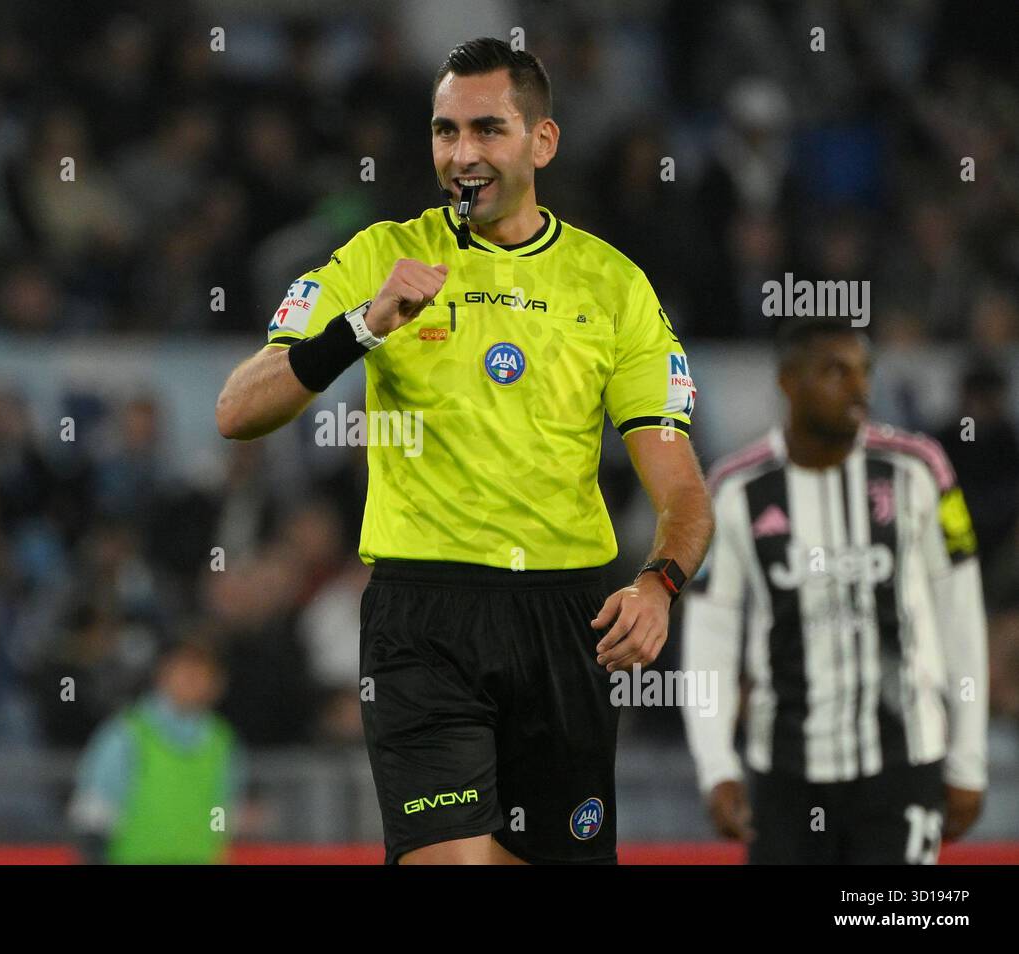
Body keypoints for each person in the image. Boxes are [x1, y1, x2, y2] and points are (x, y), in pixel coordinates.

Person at [216, 37, 713, 865]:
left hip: (565, 619)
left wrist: (660, 585)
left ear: (541, 143)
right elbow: (239, 409)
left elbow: (682, 490)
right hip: (425, 616)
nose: (462, 153)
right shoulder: (381, 257)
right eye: (446, 132)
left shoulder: (613, 286)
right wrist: (361, 328)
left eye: (487, 130)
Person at [682, 316, 989, 864]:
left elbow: (960, 612)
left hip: (904, 760)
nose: (859, 388)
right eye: (835, 371)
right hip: (784, 771)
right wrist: (716, 766)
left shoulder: (919, 469)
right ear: (788, 381)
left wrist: (967, 757)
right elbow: (710, 631)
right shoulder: (734, 489)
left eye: (864, 371)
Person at [68, 640, 243, 864]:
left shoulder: (221, 743)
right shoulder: (126, 736)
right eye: (186, 674)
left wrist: (215, 841)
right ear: (163, 675)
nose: (194, 683)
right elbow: (94, 814)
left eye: (203, 676)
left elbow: (221, 809)